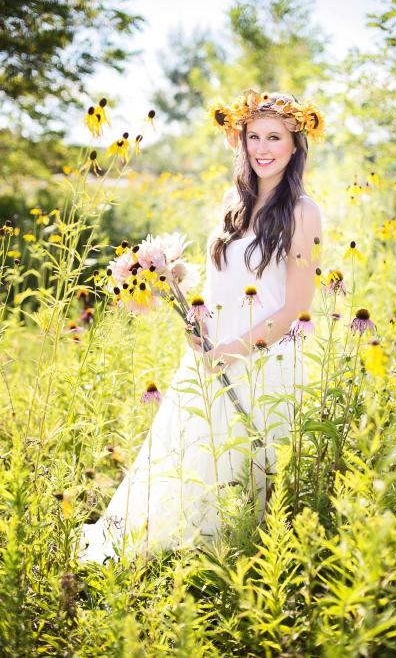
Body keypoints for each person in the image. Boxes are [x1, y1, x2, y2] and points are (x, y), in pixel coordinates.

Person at [78, 89, 324, 564]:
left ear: (296, 145)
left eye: (275, 137)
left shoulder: (303, 212)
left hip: (266, 360)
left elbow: (296, 303)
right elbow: (222, 286)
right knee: (189, 458)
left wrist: (232, 349)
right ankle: (176, 551)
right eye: (254, 136)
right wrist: (196, 320)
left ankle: (237, 557)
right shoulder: (234, 203)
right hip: (211, 356)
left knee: (245, 463)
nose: (262, 147)